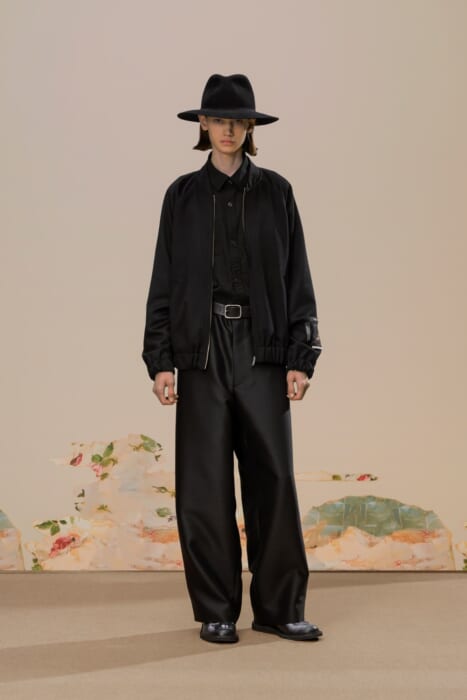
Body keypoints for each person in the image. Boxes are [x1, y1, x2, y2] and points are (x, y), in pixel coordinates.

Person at [142, 73, 324, 644]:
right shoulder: (181, 196)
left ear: (250, 127)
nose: (227, 130)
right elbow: (164, 281)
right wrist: (161, 359)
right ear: (203, 124)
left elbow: (297, 276)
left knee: (273, 479)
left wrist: (301, 355)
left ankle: (279, 607)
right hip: (200, 353)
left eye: (238, 121)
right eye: (218, 120)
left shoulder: (277, 192)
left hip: (263, 350)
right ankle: (216, 609)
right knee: (204, 484)